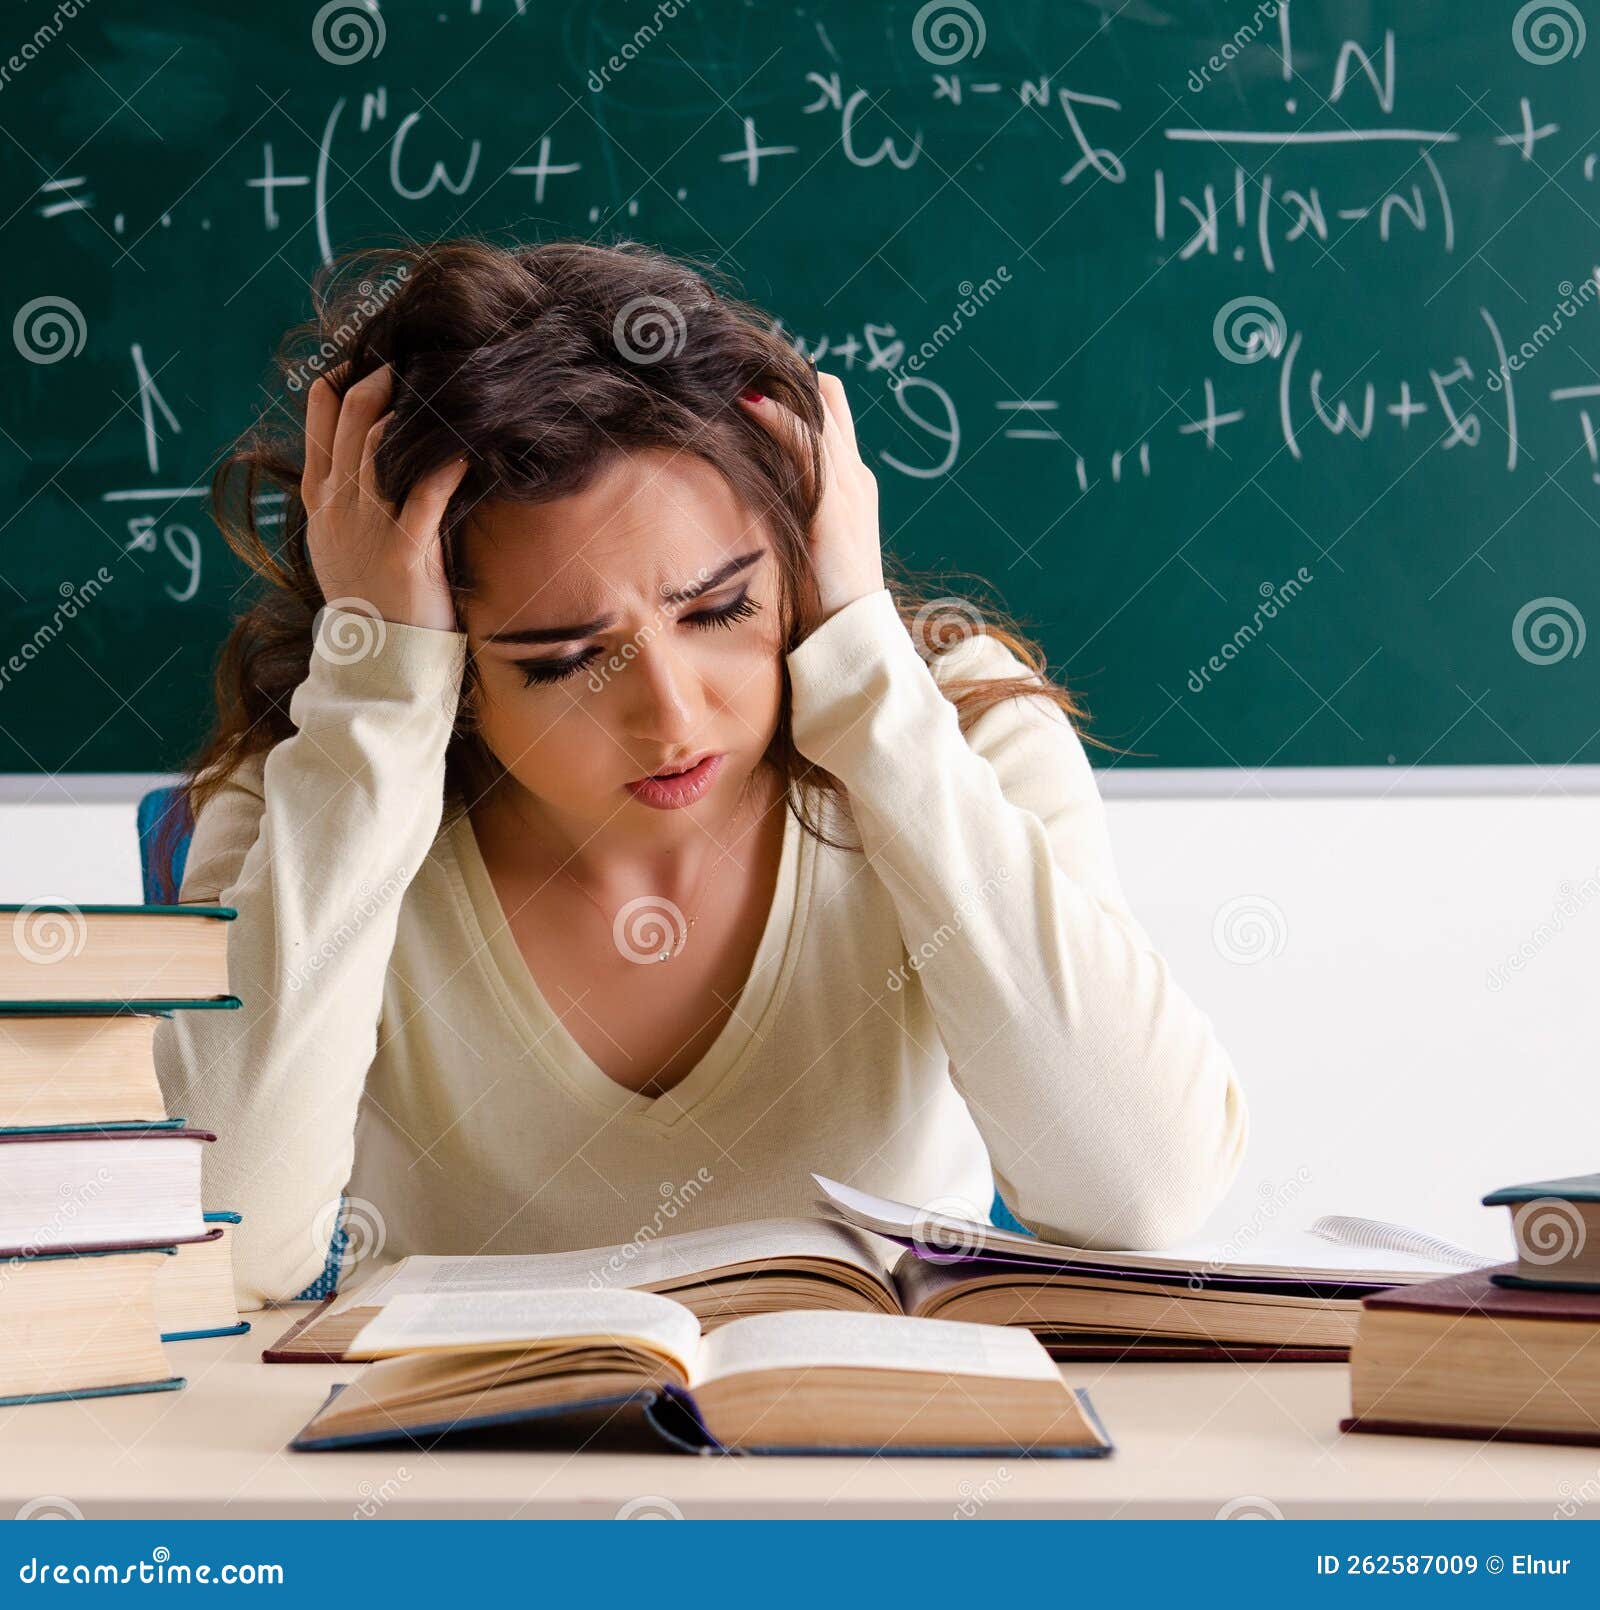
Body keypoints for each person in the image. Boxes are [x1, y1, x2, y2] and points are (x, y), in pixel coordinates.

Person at [154, 238, 1247, 1307]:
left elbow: (1140, 1200)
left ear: (808, 550)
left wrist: (871, 687)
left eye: (721, 607)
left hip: (881, 1460)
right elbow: (231, 1243)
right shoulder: (323, 776)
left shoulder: (955, 729)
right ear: (450, 661)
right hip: (465, 1474)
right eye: (565, 660)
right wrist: (379, 704)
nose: (671, 714)